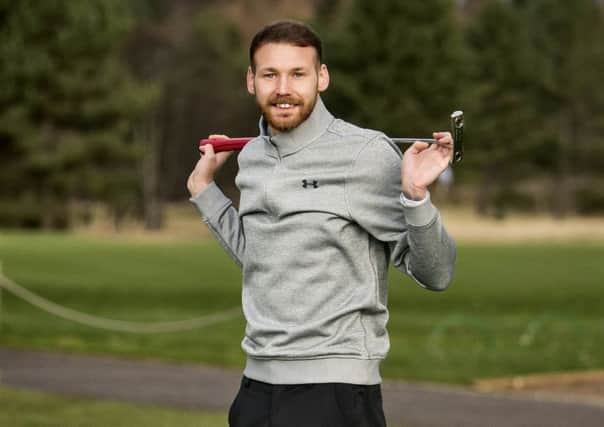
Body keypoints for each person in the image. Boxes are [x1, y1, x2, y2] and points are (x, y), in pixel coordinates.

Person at [187, 20, 456, 427]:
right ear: (250, 81)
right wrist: (203, 189)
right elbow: (260, 256)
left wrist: (416, 196)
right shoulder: (252, 158)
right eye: (270, 74)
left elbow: (436, 273)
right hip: (256, 389)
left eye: (298, 74)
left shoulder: (365, 155)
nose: (283, 89)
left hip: (336, 394)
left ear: (321, 78)